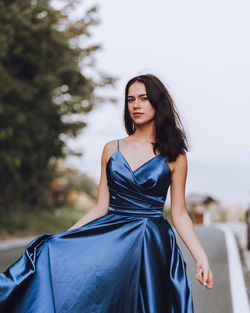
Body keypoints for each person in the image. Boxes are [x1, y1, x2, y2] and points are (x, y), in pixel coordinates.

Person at [0, 73, 213, 312]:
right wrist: (66, 237)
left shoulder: (175, 154)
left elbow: (180, 214)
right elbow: (101, 206)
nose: (136, 105)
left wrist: (200, 256)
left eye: (144, 98)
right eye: (131, 99)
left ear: (158, 103)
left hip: (152, 244)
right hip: (113, 240)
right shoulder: (112, 149)